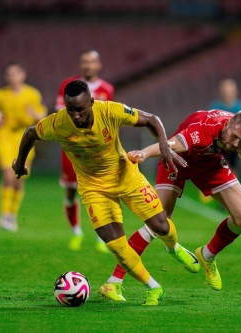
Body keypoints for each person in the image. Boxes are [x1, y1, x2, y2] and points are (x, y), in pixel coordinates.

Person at [12, 80, 199, 306]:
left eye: (80, 109)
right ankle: (153, 287)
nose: (75, 116)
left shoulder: (110, 110)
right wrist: (21, 163)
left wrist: (164, 146)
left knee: (161, 226)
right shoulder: (58, 123)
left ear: (91, 102)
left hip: (126, 176)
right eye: (70, 110)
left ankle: (173, 247)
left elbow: (152, 120)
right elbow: (31, 133)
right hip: (93, 188)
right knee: (114, 243)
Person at [99, 109, 241, 300]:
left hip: (209, 165)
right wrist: (143, 153)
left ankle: (207, 255)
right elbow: (169, 145)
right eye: (234, 138)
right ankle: (114, 282)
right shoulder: (202, 131)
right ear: (227, 125)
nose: (235, 143)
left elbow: (240, 143)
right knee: (158, 223)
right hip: (176, 160)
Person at [55, 49, 114, 252]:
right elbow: (60, 116)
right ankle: (76, 232)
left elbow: (109, 118)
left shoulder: (107, 89)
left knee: (101, 192)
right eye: (85, 62)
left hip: (97, 151)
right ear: (80, 65)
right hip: (73, 148)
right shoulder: (67, 86)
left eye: (92, 62)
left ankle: (102, 237)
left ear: (99, 65)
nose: (88, 65)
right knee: (71, 190)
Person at [0, 62, 47, 231]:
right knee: (8, 177)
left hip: (25, 140)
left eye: (15, 73)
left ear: (22, 75)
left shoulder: (32, 94)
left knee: (19, 179)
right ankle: (4, 214)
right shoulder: (0, 95)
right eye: (9, 74)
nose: (12, 77)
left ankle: (12, 215)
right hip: (5, 138)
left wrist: (36, 115)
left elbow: (42, 114)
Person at [207, 79, 241, 179]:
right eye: (225, 90)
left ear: (235, 91)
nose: (227, 92)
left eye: (229, 89)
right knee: (217, 168)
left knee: (233, 170)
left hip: (235, 144)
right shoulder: (214, 107)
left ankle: (232, 188)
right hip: (219, 143)